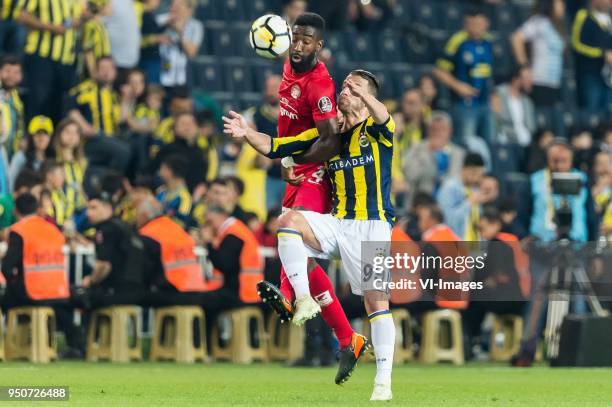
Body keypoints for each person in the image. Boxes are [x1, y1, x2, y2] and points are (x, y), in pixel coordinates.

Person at [224, 69, 396, 401]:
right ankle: (302, 298)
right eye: (344, 86)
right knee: (288, 220)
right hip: (338, 222)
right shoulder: (329, 135)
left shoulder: (376, 131)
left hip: (372, 225)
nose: (344, 90)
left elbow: (384, 116)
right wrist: (246, 133)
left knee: (376, 302)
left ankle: (383, 381)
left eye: (353, 87)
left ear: (368, 95)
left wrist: (364, 96)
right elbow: (276, 146)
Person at [231, 12, 367, 387]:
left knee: (288, 231)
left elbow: (329, 141)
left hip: (317, 171)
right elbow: (287, 128)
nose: (300, 44)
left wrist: (294, 159)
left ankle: (293, 298)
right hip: (295, 167)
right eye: (297, 37)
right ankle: (347, 338)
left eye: (308, 40)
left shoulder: (319, 83)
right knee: (300, 259)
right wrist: (285, 161)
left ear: (318, 45)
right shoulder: (288, 70)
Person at [1, 193, 83, 357]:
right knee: (58, 310)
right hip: (59, 290)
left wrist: (12, 283)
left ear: (16, 211)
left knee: (6, 298)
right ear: (37, 209)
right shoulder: (53, 229)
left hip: (32, 292)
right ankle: (77, 344)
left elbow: (8, 267)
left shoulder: (19, 230)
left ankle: (14, 343)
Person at [463, 207, 528, 358]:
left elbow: (487, 273)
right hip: (522, 298)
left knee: (473, 300)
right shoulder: (513, 240)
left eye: (483, 227)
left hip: (508, 298)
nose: (481, 232)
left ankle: (470, 343)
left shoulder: (497, 243)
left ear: (495, 224)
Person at [433, 8, 494, 164]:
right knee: (467, 146)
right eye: (471, 23)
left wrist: (495, 95)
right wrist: (458, 86)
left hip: (485, 103)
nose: (475, 27)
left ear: (486, 23)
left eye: (479, 23)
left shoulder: (489, 42)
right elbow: (439, 71)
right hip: (464, 105)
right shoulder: (458, 41)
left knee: (489, 146)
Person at [18, 0, 81, 123]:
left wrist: (80, 20)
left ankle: (54, 141)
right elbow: (21, 15)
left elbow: (77, 18)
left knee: (59, 107)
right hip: (41, 55)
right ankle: (32, 140)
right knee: (38, 103)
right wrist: (50, 27)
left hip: (66, 59)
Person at [138, 196, 208, 305]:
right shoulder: (177, 228)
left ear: (144, 215)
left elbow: (145, 271)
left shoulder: (147, 233)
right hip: (198, 289)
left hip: (173, 290)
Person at [81, 192, 145, 308]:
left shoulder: (106, 229)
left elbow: (104, 266)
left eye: (93, 208)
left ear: (108, 208)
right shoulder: (125, 226)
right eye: (87, 208)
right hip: (138, 289)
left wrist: (90, 281)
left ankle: (87, 326)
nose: (88, 213)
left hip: (116, 290)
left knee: (79, 296)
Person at [68, 57, 130, 174]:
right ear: (95, 71)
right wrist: (85, 127)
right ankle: (113, 184)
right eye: (102, 68)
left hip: (111, 139)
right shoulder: (85, 89)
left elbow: (120, 120)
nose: (106, 72)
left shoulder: (115, 95)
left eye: (110, 68)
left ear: (115, 72)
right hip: (92, 139)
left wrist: (125, 101)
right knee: (124, 151)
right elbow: (70, 109)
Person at [402, 111, 466, 209]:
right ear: (428, 130)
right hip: (419, 205)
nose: (438, 133)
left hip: (449, 207)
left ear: (450, 131)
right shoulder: (416, 148)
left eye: (442, 129)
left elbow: (459, 182)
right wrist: (427, 153)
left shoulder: (459, 154)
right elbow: (410, 175)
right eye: (434, 129)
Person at [511, 0, 566, 108]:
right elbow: (516, 38)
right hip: (539, 81)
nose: (562, 6)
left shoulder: (558, 27)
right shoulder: (539, 22)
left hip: (554, 82)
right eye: (559, 3)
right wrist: (524, 67)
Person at [244, 75, 285, 211]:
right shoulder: (255, 116)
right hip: (268, 178)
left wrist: (272, 158)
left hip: (293, 175)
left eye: (274, 88)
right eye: (267, 88)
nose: (270, 92)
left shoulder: (295, 114)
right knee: (270, 215)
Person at [571, 0, 612, 111]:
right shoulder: (583, 15)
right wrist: (602, 54)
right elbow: (576, 44)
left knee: (607, 120)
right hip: (590, 76)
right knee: (591, 114)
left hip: (607, 77)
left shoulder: (609, 20)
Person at [391, 89, 428, 208]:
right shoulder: (396, 125)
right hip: (396, 179)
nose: (406, 107)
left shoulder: (426, 130)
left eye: (412, 103)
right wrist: (394, 133)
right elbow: (393, 156)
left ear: (422, 105)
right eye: (405, 102)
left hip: (416, 179)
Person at [437, 153, 487, 240]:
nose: (476, 178)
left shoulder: (474, 190)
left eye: (480, 174)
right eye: (474, 173)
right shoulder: (449, 188)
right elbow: (447, 221)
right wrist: (469, 203)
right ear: (464, 169)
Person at [159, 0, 203, 90]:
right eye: (173, 4)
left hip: (181, 76)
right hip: (160, 71)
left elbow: (191, 53)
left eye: (179, 5)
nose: (174, 8)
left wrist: (179, 31)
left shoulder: (196, 26)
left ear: (189, 9)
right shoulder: (161, 20)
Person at [493, 66, 536, 148]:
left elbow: (531, 128)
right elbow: (496, 120)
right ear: (516, 80)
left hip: (524, 145)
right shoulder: (499, 94)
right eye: (527, 78)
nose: (531, 82)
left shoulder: (527, 101)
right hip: (505, 141)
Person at [8, 116, 53, 191]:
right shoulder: (21, 157)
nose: (41, 138)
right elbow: (10, 184)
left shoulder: (52, 160)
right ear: (31, 137)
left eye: (45, 133)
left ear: (50, 137)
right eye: (38, 133)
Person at [155, 154, 193, 227]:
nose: (159, 172)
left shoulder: (184, 198)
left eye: (162, 168)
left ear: (169, 171)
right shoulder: (161, 191)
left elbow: (180, 224)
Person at [104, 0, 141, 72]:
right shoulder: (110, 2)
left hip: (132, 60)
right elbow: (96, 21)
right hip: (115, 62)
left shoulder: (130, 2)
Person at [0, 55, 24, 160]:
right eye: (7, 71)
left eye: (16, 72)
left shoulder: (17, 100)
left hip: (10, 155)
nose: (11, 76)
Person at [81, 0, 112, 79]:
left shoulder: (101, 25)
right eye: (109, 4)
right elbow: (87, 51)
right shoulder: (91, 26)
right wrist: (93, 72)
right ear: (100, 7)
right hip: (96, 70)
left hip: (103, 69)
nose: (111, 7)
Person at [138, 0, 165, 84]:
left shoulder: (150, 14)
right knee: (151, 88)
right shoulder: (141, 14)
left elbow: (153, 31)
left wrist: (167, 25)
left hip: (152, 59)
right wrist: (156, 39)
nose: (159, 2)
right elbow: (138, 38)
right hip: (147, 59)